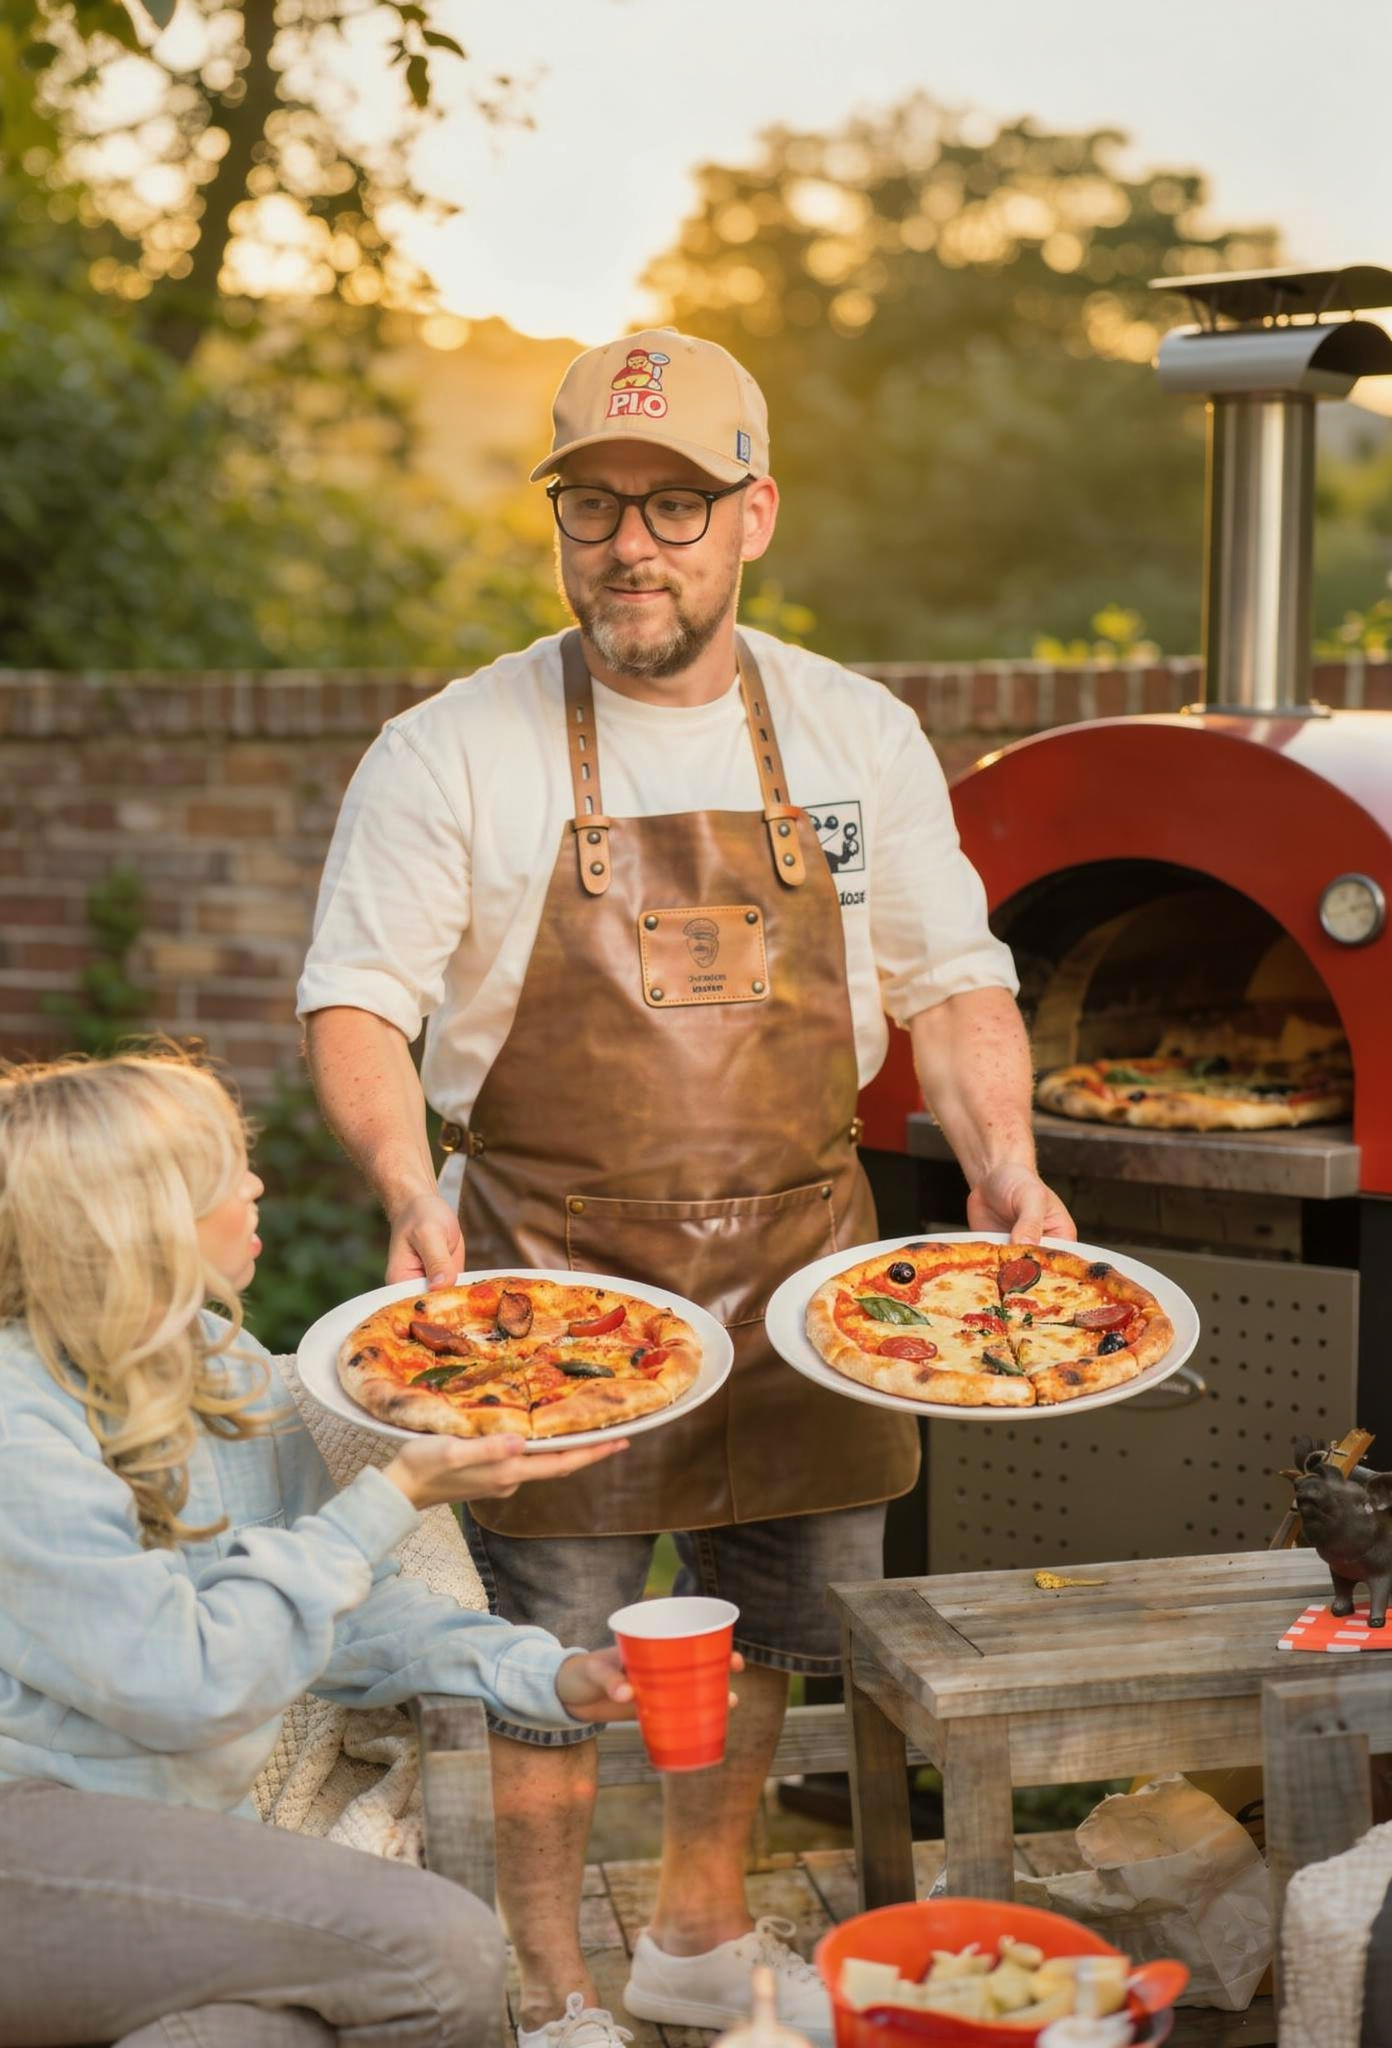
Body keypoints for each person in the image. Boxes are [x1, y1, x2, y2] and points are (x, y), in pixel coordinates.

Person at [298, 327, 1074, 2046]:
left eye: (673, 503)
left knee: (763, 1638)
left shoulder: (856, 733)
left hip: (806, 1282)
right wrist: (402, 1179)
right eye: (592, 507)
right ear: (559, 522)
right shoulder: (454, 747)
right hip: (546, 1298)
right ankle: (553, 1990)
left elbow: (954, 984)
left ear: (754, 514)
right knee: (547, 1675)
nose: (628, 545)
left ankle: (701, 1945)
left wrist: (1005, 1161)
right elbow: (358, 995)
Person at [0, 1047, 687, 2048]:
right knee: (443, 1949)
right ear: (137, 1218)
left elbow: (346, 1606)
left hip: (167, 1835)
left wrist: (553, 1672)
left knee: (272, 2030)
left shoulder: (224, 1364)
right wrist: (397, 1490)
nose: (256, 1185)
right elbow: (183, 1680)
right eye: (224, 1171)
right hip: (32, 1830)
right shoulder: (20, 1420)